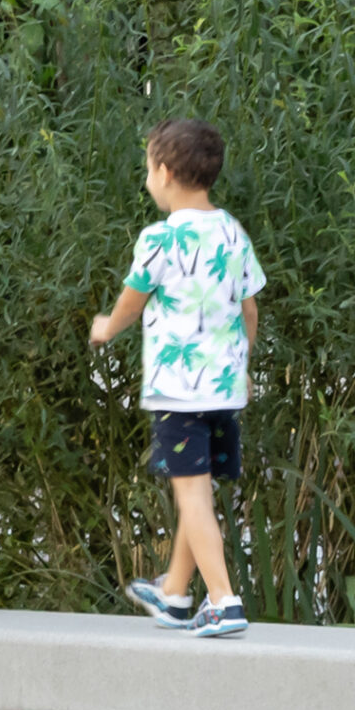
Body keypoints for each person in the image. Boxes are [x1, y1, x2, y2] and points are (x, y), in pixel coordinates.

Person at [90, 119, 264, 639]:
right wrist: (243, 362)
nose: (147, 179)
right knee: (199, 489)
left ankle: (224, 600)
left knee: (191, 496)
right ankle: (173, 595)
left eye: (148, 169)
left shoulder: (160, 238)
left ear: (164, 173)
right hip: (224, 387)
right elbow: (250, 307)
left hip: (180, 391)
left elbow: (132, 299)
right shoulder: (233, 231)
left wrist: (106, 327)